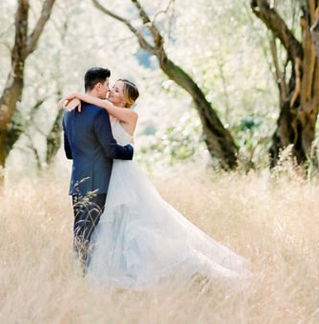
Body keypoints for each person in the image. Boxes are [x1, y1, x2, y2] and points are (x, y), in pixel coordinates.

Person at [62, 78, 248, 289]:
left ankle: (184, 270)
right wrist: (77, 103)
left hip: (124, 175)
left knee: (136, 223)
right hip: (108, 174)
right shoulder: (105, 115)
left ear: (126, 99)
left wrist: (77, 95)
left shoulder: (129, 115)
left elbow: (102, 104)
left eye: (116, 90)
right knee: (111, 224)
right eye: (111, 88)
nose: (110, 92)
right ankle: (112, 272)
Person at [62, 67, 134, 271]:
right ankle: (84, 274)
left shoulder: (68, 113)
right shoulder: (99, 112)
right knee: (91, 231)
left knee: (81, 230)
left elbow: (69, 153)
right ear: (99, 86)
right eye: (108, 85)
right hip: (97, 182)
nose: (109, 90)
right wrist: (130, 151)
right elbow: (110, 150)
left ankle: (80, 272)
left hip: (77, 182)